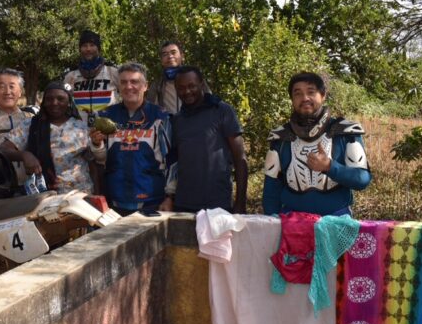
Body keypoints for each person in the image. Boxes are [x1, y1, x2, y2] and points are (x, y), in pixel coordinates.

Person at [262, 72, 371, 216]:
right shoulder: (281, 138)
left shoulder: (344, 132)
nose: (305, 98)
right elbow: (271, 192)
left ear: (323, 95)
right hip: (292, 224)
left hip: (336, 222)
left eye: (311, 92)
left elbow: (362, 179)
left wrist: (330, 166)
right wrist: (272, 223)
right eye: (298, 94)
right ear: (292, 99)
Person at [159, 66, 248, 213]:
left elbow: (240, 159)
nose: (187, 91)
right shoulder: (177, 120)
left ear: (201, 83)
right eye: (181, 88)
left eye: (191, 86)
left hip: (217, 204)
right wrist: (170, 197)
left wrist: (240, 203)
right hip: (183, 204)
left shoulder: (222, 110)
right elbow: (173, 163)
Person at [89, 62, 171, 215]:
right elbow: (101, 159)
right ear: (118, 86)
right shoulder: (105, 115)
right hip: (115, 200)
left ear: (145, 86)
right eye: (124, 82)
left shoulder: (161, 116)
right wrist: (97, 144)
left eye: (134, 82)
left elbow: (171, 160)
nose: (129, 86)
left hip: (152, 201)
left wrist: (170, 197)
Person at [0, 82, 94, 194]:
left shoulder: (81, 128)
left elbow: (93, 164)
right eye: (49, 99)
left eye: (60, 99)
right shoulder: (30, 126)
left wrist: (98, 193)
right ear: (43, 102)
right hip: (44, 196)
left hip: (81, 194)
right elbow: (2, 149)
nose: (54, 103)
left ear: (69, 102)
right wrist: (24, 155)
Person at [63, 30, 120, 127]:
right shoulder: (70, 76)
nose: (88, 49)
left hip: (108, 130)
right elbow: (64, 103)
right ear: (80, 49)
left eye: (92, 45)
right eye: (84, 46)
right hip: (80, 132)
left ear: (98, 48)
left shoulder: (113, 72)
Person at [146, 41, 209, 114]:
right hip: (170, 124)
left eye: (173, 52)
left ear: (182, 56)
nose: (170, 56)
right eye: (165, 54)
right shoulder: (158, 84)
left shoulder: (195, 78)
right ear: (161, 60)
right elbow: (150, 109)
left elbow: (210, 100)